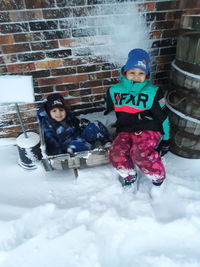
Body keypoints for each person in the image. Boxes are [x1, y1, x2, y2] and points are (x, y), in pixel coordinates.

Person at [105, 48, 170, 193]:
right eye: (132, 72)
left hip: (149, 128)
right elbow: (109, 112)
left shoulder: (153, 92)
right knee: (115, 152)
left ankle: (158, 176)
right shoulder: (114, 91)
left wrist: (166, 139)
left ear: (146, 75)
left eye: (141, 73)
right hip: (125, 128)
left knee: (139, 153)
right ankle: (129, 174)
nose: (136, 76)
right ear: (125, 72)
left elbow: (163, 117)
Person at [37, 93, 109, 155]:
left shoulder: (68, 116)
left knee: (95, 125)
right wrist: (58, 154)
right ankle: (90, 151)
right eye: (54, 111)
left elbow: (77, 125)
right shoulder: (47, 123)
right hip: (68, 146)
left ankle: (106, 142)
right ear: (49, 112)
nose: (58, 113)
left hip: (79, 137)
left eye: (61, 110)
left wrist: (84, 126)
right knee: (77, 146)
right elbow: (51, 142)